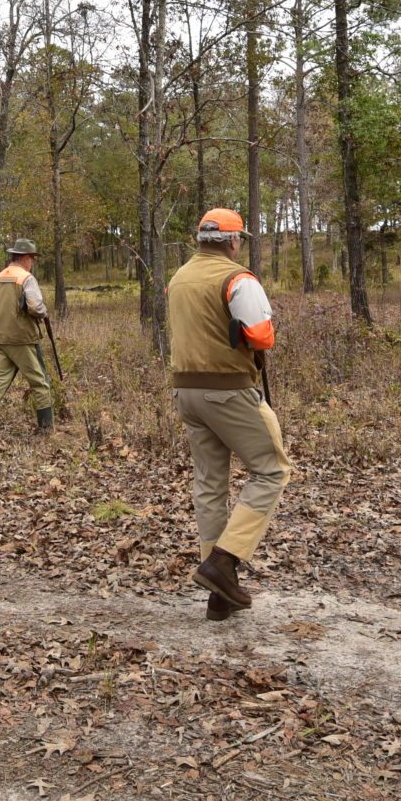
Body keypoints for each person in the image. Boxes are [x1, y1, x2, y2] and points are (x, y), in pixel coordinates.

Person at [165, 208, 289, 622]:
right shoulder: (238, 278)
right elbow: (260, 334)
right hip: (230, 391)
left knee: (210, 484)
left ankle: (220, 594)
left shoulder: (178, 279)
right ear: (234, 242)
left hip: (186, 392)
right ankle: (224, 559)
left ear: (199, 239)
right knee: (271, 470)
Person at [0, 238, 56, 434]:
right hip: (21, 338)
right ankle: (46, 428)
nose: (32, 262)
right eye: (32, 258)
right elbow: (35, 307)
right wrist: (44, 313)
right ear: (25, 258)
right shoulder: (26, 278)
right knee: (39, 381)